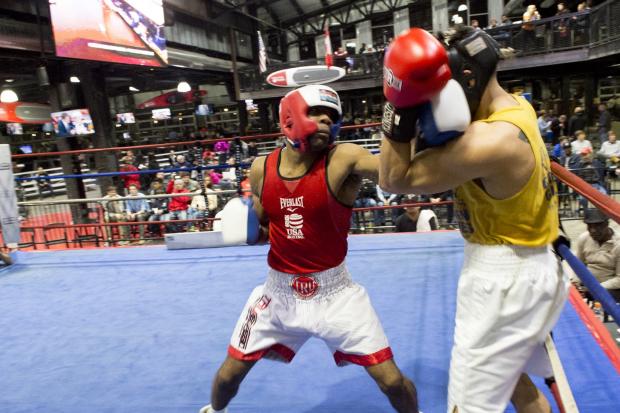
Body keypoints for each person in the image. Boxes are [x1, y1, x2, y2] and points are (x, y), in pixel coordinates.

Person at [379, 27, 569, 412]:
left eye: (435, 90)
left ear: (465, 80)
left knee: (468, 405)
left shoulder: (491, 140)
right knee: (514, 379)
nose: (431, 101)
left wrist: (397, 101)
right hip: (529, 267)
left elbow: (392, 178)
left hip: (504, 280)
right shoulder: (516, 107)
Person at [201, 84, 419, 413]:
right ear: (289, 118)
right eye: (316, 113)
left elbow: (391, 176)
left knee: (391, 381)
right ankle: (213, 411)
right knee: (227, 378)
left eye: (331, 117)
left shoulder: (342, 157)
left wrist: (403, 120)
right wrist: (247, 231)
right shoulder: (262, 167)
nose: (325, 122)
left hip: (337, 294)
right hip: (278, 294)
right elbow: (263, 227)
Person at [575, 208, 620, 303]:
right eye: (589, 226)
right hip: (588, 286)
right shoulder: (584, 238)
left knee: (602, 296)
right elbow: (578, 266)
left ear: (606, 224)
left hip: (609, 288)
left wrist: (596, 288)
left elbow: (619, 279)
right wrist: (576, 283)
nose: (593, 230)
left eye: (597, 226)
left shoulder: (618, 244)